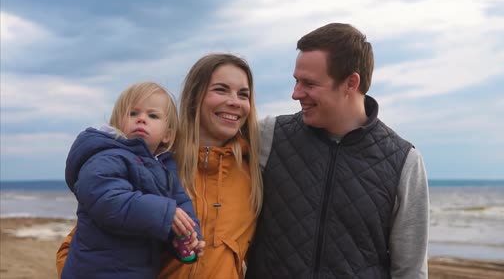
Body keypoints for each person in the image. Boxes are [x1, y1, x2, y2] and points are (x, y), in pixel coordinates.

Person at [246, 23, 430, 279]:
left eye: (309, 83)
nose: (296, 93)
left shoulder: (404, 162)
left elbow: (410, 270)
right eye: (296, 81)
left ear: (350, 83)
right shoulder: (268, 135)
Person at [57, 54, 263, 279]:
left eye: (243, 94)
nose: (234, 101)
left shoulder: (253, 175)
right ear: (195, 97)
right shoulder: (153, 167)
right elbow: (76, 246)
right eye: (221, 90)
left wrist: (187, 246)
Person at [60, 82, 204, 279]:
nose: (142, 119)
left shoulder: (165, 172)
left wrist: (188, 238)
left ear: (168, 134)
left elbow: (182, 207)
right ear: (117, 123)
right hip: (95, 270)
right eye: (133, 113)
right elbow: (107, 199)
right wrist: (165, 213)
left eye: (152, 115)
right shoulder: (108, 156)